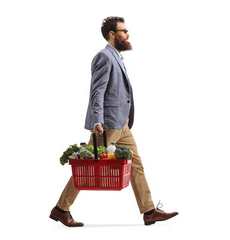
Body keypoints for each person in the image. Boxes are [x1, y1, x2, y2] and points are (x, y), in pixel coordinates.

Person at [49, 16, 178, 227]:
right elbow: (97, 92)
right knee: (88, 166)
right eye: (124, 31)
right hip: (107, 124)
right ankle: (61, 209)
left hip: (122, 124)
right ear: (112, 34)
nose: (128, 34)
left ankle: (149, 211)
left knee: (136, 165)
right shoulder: (104, 57)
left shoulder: (116, 57)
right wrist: (97, 120)